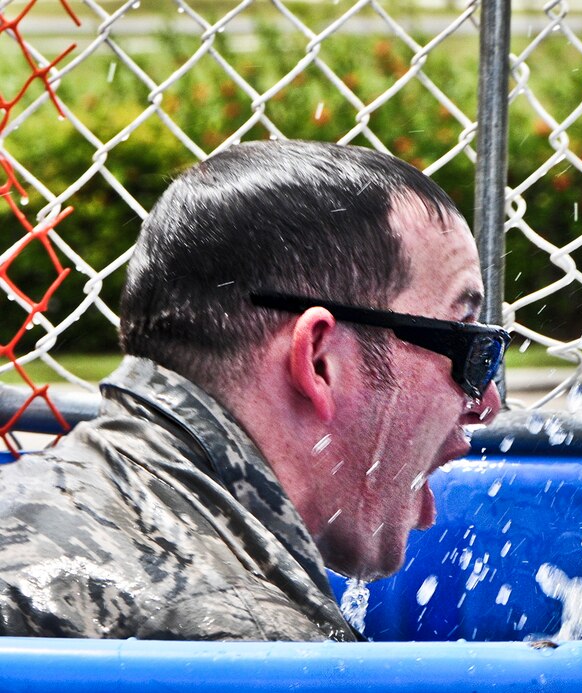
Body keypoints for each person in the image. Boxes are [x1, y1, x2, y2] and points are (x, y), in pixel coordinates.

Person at [0, 140, 507, 641]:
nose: (486, 402)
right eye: (468, 344)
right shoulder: (244, 651)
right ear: (319, 361)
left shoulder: (29, 494)